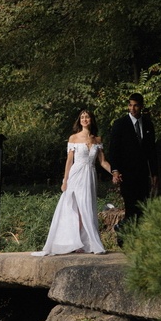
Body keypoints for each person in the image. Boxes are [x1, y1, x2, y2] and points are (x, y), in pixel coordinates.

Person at [32, 109, 111, 256]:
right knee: (74, 206)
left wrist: (115, 172)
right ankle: (73, 242)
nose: (84, 119)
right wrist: (65, 180)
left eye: (87, 117)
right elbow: (69, 161)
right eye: (82, 117)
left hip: (90, 176)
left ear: (91, 120)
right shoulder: (73, 138)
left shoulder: (97, 140)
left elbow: (103, 162)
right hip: (76, 175)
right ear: (79, 121)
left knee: (87, 207)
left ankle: (84, 242)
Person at [108, 93, 158, 225]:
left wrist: (154, 173)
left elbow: (152, 151)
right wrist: (115, 170)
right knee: (130, 207)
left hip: (143, 174)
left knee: (142, 207)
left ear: (141, 106)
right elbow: (113, 149)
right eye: (130, 105)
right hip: (126, 173)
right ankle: (126, 233)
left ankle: (140, 234)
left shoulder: (148, 124)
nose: (132, 108)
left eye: (135, 106)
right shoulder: (120, 124)